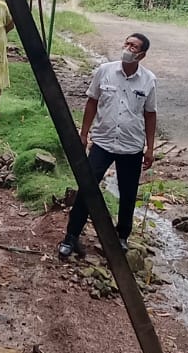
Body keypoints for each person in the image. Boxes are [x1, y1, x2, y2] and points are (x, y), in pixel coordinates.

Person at [58, 32, 156, 257]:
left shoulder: (149, 80)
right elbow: (92, 102)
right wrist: (83, 134)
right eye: (127, 43)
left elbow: (150, 115)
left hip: (131, 146)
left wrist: (150, 148)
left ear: (141, 55)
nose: (128, 48)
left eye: (133, 47)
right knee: (87, 187)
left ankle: (121, 236)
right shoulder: (105, 71)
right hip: (102, 142)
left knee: (128, 193)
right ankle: (71, 236)